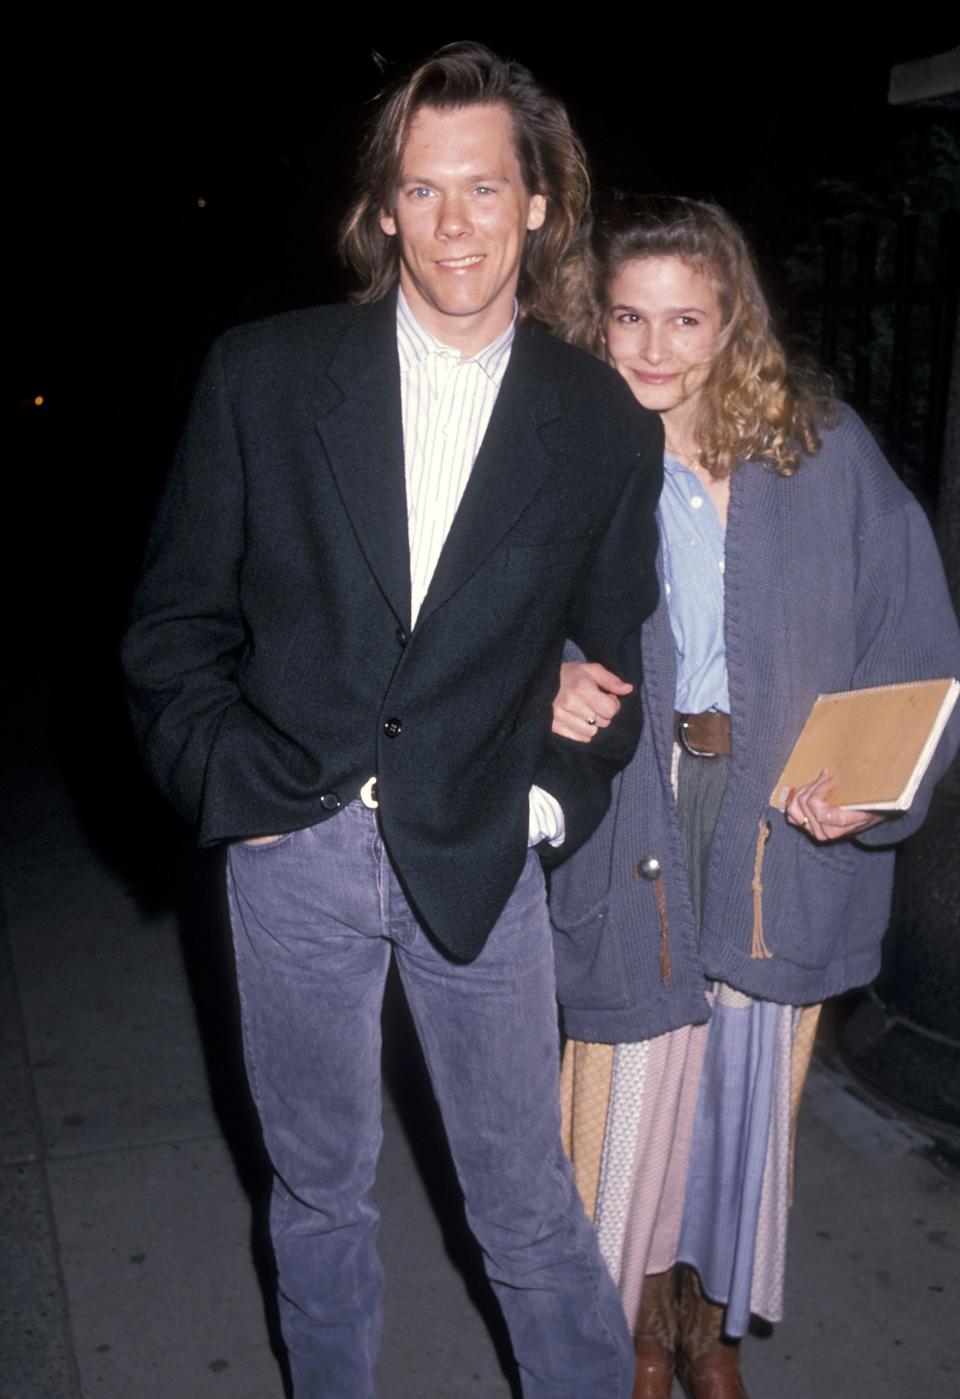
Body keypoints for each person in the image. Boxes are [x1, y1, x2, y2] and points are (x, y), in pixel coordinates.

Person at [121, 43, 664, 1399]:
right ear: (385, 210)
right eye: (424, 193)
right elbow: (172, 630)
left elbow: (612, 671)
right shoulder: (267, 376)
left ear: (539, 202)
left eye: (486, 188)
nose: (457, 224)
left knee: (527, 1206)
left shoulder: (599, 420)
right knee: (317, 1193)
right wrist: (236, 793)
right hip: (293, 850)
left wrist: (543, 798)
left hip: (481, 847)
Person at [548, 194, 960, 1399]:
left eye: (688, 318)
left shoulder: (818, 450)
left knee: (741, 1101)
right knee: (623, 1099)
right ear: (598, 319)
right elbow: (478, 613)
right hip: (634, 804)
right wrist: (548, 678)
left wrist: (875, 794)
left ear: (735, 324)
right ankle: (624, 1330)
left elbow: (915, 644)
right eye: (631, 318)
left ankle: (708, 1333)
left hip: (777, 816)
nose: (657, 348)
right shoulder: (572, 455)